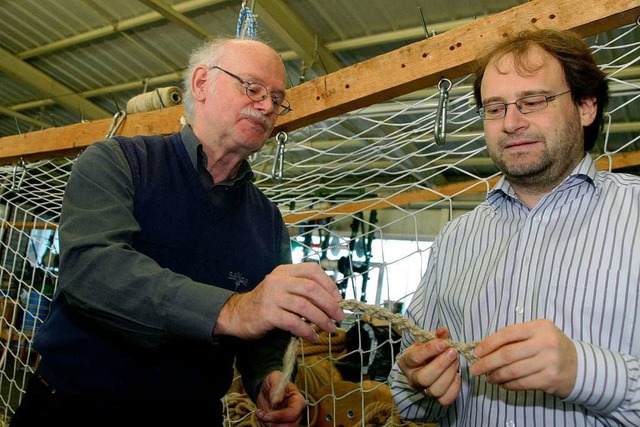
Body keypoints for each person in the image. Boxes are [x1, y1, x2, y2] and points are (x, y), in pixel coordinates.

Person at [10, 36, 345, 427]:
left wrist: (266, 377)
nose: (268, 106)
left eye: (277, 98)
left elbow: (263, 334)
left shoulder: (269, 221)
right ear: (202, 83)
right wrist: (233, 309)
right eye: (252, 88)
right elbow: (92, 271)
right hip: (73, 409)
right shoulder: (118, 162)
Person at [389, 28, 640, 426]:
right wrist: (418, 382)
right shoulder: (456, 239)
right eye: (494, 107)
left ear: (586, 106)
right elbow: (408, 395)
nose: (511, 122)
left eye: (533, 101)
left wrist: (584, 371)